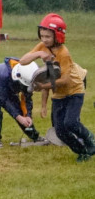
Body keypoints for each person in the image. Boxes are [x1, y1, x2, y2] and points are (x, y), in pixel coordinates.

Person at [18, 13, 94, 160]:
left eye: (47, 37)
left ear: (58, 36)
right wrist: (39, 53)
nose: (44, 39)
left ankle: (90, 139)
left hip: (74, 91)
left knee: (70, 123)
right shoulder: (42, 46)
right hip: (59, 95)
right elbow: (22, 61)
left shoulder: (64, 53)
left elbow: (65, 80)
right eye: (42, 36)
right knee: (60, 131)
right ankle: (82, 151)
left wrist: (43, 85)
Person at [0, 58, 42, 148]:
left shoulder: (27, 76)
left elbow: (27, 98)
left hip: (7, 86)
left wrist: (28, 115)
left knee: (19, 110)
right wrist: (18, 116)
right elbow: (5, 101)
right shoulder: (4, 75)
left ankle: (35, 136)